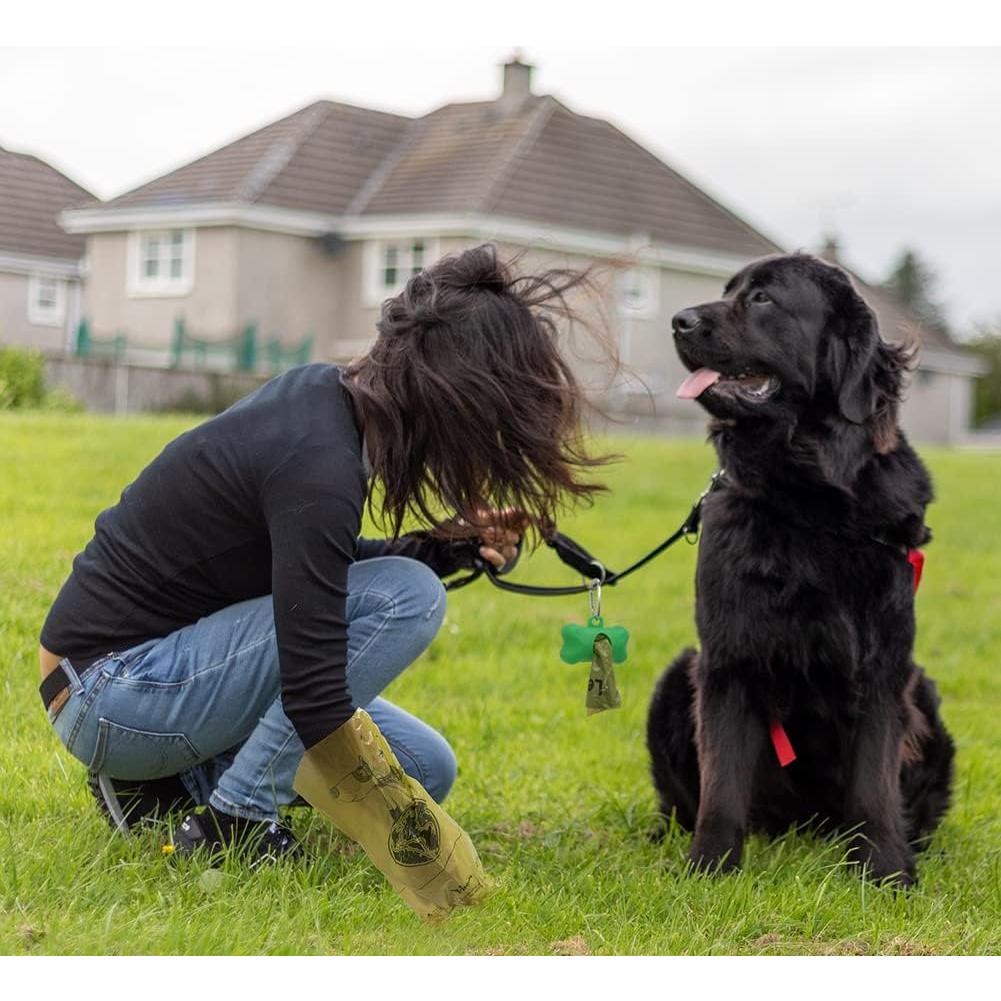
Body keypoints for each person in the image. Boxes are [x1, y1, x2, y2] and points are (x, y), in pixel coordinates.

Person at [38, 244, 610, 916]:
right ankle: (231, 822)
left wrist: (445, 549)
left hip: (163, 673)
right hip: (109, 689)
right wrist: (437, 871)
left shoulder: (324, 406)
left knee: (428, 768)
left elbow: (310, 568)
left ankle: (164, 783)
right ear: (449, 393)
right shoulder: (316, 460)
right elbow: (311, 687)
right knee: (408, 598)